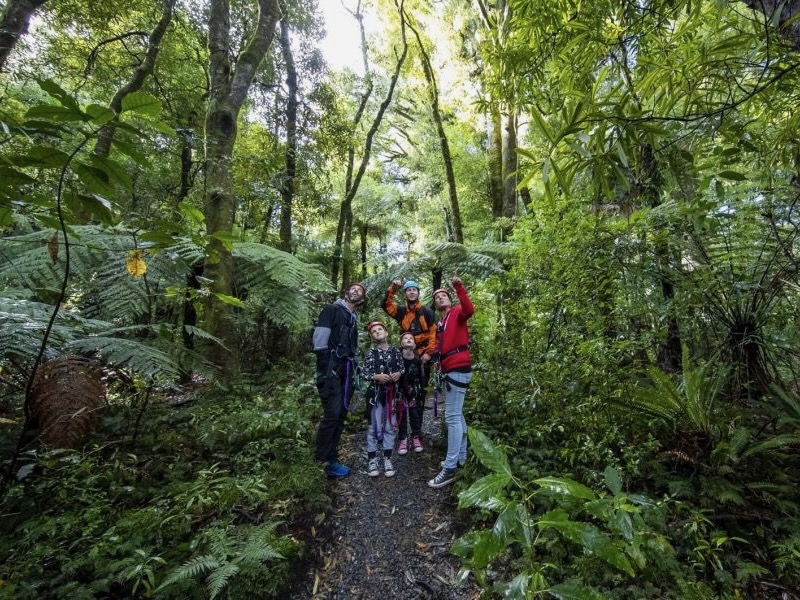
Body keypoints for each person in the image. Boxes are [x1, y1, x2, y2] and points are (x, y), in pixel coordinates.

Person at [312, 282, 366, 478]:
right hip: (332, 370)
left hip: (347, 370)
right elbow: (319, 340)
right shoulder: (331, 309)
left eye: (359, 291)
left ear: (362, 299)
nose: (356, 291)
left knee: (341, 414)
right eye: (353, 289)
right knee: (332, 413)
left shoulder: (353, 318)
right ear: (346, 292)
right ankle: (322, 460)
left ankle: (332, 457)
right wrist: (327, 368)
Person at [428, 276, 474, 489]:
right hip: (448, 368)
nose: (440, 299)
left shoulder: (457, 313)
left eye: (443, 296)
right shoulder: (441, 323)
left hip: (458, 366)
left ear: (449, 299)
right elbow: (441, 345)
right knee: (458, 413)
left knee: (452, 416)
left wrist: (458, 286)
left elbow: (469, 309)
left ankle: (451, 466)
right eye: (436, 297)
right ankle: (462, 457)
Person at [382, 279, 436, 454]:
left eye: (414, 290)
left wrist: (429, 353)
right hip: (404, 357)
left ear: (418, 293)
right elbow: (386, 304)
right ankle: (403, 436)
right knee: (401, 397)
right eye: (409, 290)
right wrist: (394, 287)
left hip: (422, 358)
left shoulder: (426, 312)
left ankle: (417, 434)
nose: (412, 292)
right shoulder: (401, 312)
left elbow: (433, 333)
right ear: (405, 294)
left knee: (418, 397)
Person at [362, 320, 404, 477]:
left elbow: (402, 368)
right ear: (372, 337)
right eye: (374, 331)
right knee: (374, 426)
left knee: (390, 427)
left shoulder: (395, 352)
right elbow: (364, 373)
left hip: (393, 395)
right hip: (375, 396)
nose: (377, 332)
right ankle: (372, 460)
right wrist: (375, 376)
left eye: (380, 329)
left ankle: (387, 458)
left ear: (386, 333)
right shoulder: (370, 354)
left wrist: (399, 373)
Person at [399, 331, 426, 453]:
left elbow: (422, 376)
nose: (408, 339)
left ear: (415, 345)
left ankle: (416, 437)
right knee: (402, 415)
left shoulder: (417, 360)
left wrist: (421, 391)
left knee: (415, 414)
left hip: (414, 391)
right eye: (405, 338)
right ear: (401, 344)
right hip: (400, 392)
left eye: (411, 338)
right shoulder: (397, 358)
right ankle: (403, 439)